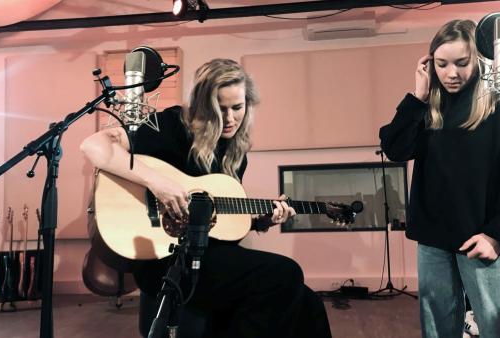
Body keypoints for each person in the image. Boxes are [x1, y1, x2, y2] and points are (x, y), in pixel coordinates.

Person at [81, 58, 332, 338]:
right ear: (202, 105)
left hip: (207, 256)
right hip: (166, 261)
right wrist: (158, 183)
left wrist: (259, 222)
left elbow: (218, 224)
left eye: (237, 108)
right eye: (218, 108)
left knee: (308, 302)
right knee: (286, 274)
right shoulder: (174, 125)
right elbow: (93, 145)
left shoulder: (235, 155)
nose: (229, 118)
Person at [379, 19, 500, 338]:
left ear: (477, 60)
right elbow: (394, 148)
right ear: (430, 64)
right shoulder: (428, 109)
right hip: (434, 240)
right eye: (442, 64)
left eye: (462, 63)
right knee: (437, 328)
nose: (452, 73)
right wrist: (417, 98)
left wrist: (497, 236)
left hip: (483, 237)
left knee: (496, 328)